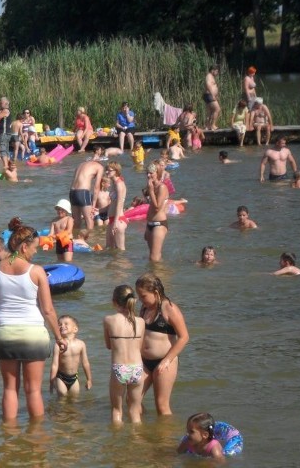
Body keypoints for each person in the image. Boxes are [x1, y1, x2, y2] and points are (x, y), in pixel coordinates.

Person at [0, 220, 66, 422]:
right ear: (24, 246)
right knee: (33, 391)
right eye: (35, 247)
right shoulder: (36, 271)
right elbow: (47, 310)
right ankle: (36, 439)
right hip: (33, 335)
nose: (36, 252)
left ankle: (9, 438)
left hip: (4, 333)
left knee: (10, 389)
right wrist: (58, 337)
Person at [136, 272, 189, 416]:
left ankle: (165, 438)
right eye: (139, 296)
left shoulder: (169, 308)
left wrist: (166, 360)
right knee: (132, 400)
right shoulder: (144, 308)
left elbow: (184, 337)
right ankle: (144, 432)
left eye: (143, 296)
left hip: (165, 362)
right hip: (144, 363)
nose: (140, 300)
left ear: (155, 292)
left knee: (161, 405)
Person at [103, 285, 145, 423]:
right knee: (134, 410)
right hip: (137, 368)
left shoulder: (109, 320)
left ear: (114, 301)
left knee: (116, 410)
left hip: (120, 368)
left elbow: (109, 346)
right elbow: (139, 347)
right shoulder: (141, 322)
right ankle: (137, 440)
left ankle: (116, 442)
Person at [49, 315, 91, 397]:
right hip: (61, 377)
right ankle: (61, 410)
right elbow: (54, 365)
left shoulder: (81, 344)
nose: (62, 326)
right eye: (60, 324)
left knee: (75, 398)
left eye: (66, 324)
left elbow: (85, 363)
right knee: (62, 395)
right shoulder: (58, 345)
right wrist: (51, 381)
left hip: (74, 378)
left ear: (75, 329)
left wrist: (89, 379)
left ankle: (70, 410)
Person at [69, 158, 104, 230]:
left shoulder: (81, 164)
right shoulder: (100, 167)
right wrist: (93, 205)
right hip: (83, 192)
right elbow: (96, 187)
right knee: (90, 220)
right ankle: (90, 240)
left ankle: (75, 239)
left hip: (72, 192)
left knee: (76, 221)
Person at [144, 163, 169, 262]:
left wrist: (150, 191)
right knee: (153, 257)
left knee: (154, 257)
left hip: (159, 224)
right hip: (150, 223)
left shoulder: (161, 187)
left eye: (151, 173)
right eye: (147, 173)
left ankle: (160, 276)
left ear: (157, 173)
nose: (148, 176)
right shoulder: (151, 186)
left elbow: (157, 207)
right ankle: (157, 274)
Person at [105, 162, 128, 251]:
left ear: (116, 171)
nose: (107, 172)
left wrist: (115, 222)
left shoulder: (119, 184)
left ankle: (123, 265)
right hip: (112, 219)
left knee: (120, 251)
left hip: (118, 220)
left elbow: (119, 204)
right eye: (106, 170)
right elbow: (113, 203)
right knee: (109, 249)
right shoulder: (114, 183)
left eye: (109, 170)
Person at [0, 97, 12, 168]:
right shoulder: (6, 110)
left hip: (3, 133)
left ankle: (5, 166)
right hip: (7, 133)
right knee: (6, 150)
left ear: (6, 103)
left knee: (2, 149)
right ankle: (8, 166)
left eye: (1, 102)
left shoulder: (5, 110)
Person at [203, 65, 220, 130]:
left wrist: (216, 95)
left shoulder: (211, 76)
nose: (217, 73)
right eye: (216, 71)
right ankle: (212, 125)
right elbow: (208, 85)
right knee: (217, 109)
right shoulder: (209, 76)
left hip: (209, 95)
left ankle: (207, 126)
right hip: (209, 95)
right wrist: (213, 94)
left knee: (210, 111)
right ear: (212, 70)